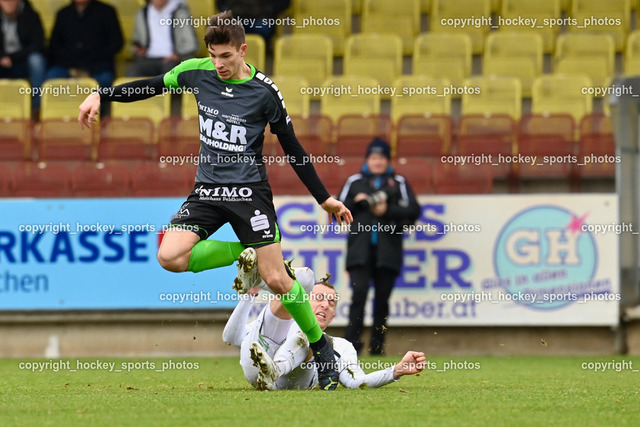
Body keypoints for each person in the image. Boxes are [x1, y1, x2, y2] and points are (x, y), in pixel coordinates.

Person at [77, 10, 352, 391]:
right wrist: (101, 93)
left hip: (249, 194)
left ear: (243, 49)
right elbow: (153, 85)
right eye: (213, 55)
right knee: (169, 256)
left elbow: (294, 148)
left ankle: (321, 349)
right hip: (207, 191)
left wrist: (325, 199)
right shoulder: (196, 71)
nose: (218, 64)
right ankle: (248, 252)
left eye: (226, 56)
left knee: (276, 278)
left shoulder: (265, 92)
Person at [222, 267, 426, 390]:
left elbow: (357, 381)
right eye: (318, 298)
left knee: (311, 335)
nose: (325, 305)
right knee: (299, 284)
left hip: (290, 382)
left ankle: (276, 369)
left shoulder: (342, 346)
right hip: (255, 368)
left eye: (332, 302)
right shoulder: (279, 324)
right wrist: (248, 297)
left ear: (333, 316)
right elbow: (231, 338)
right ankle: (258, 282)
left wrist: (397, 370)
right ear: (306, 303)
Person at [339, 138, 421, 355]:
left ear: (388, 160)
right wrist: (357, 202)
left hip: (388, 251)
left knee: (382, 301)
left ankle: (377, 347)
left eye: (382, 158)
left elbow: (413, 211)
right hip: (359, 252)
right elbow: (337, 210)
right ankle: (351, 348)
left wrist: (387, 211)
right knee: (359, 297)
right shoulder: (354, 181)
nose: (378, 162)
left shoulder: (399, 182)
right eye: (374, 158)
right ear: (368, 159)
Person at [46, 0, 123, 88]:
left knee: (105, 80)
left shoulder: (107, 11)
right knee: (52, 77)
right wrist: (72, 69)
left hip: (98, 67)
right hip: (67, 67)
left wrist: (90, 66)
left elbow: (117, 42)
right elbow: (54, 46)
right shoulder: (63, 13)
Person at [129, 0, 198, 76]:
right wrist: (139, 50)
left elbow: (191, 44)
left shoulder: (180, 12)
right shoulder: (142, 13)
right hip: (149, 58)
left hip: (173, 59)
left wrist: (178, 55)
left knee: (169, 74)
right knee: (133, 71)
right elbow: (136, 41)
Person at [0, 0, 46, 111]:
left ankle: (37, 108)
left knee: (37, 60)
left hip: (23, 61)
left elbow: (37, 45)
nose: (9, 2)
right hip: (2, 62)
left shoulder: (31, 15)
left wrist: (12, 58)